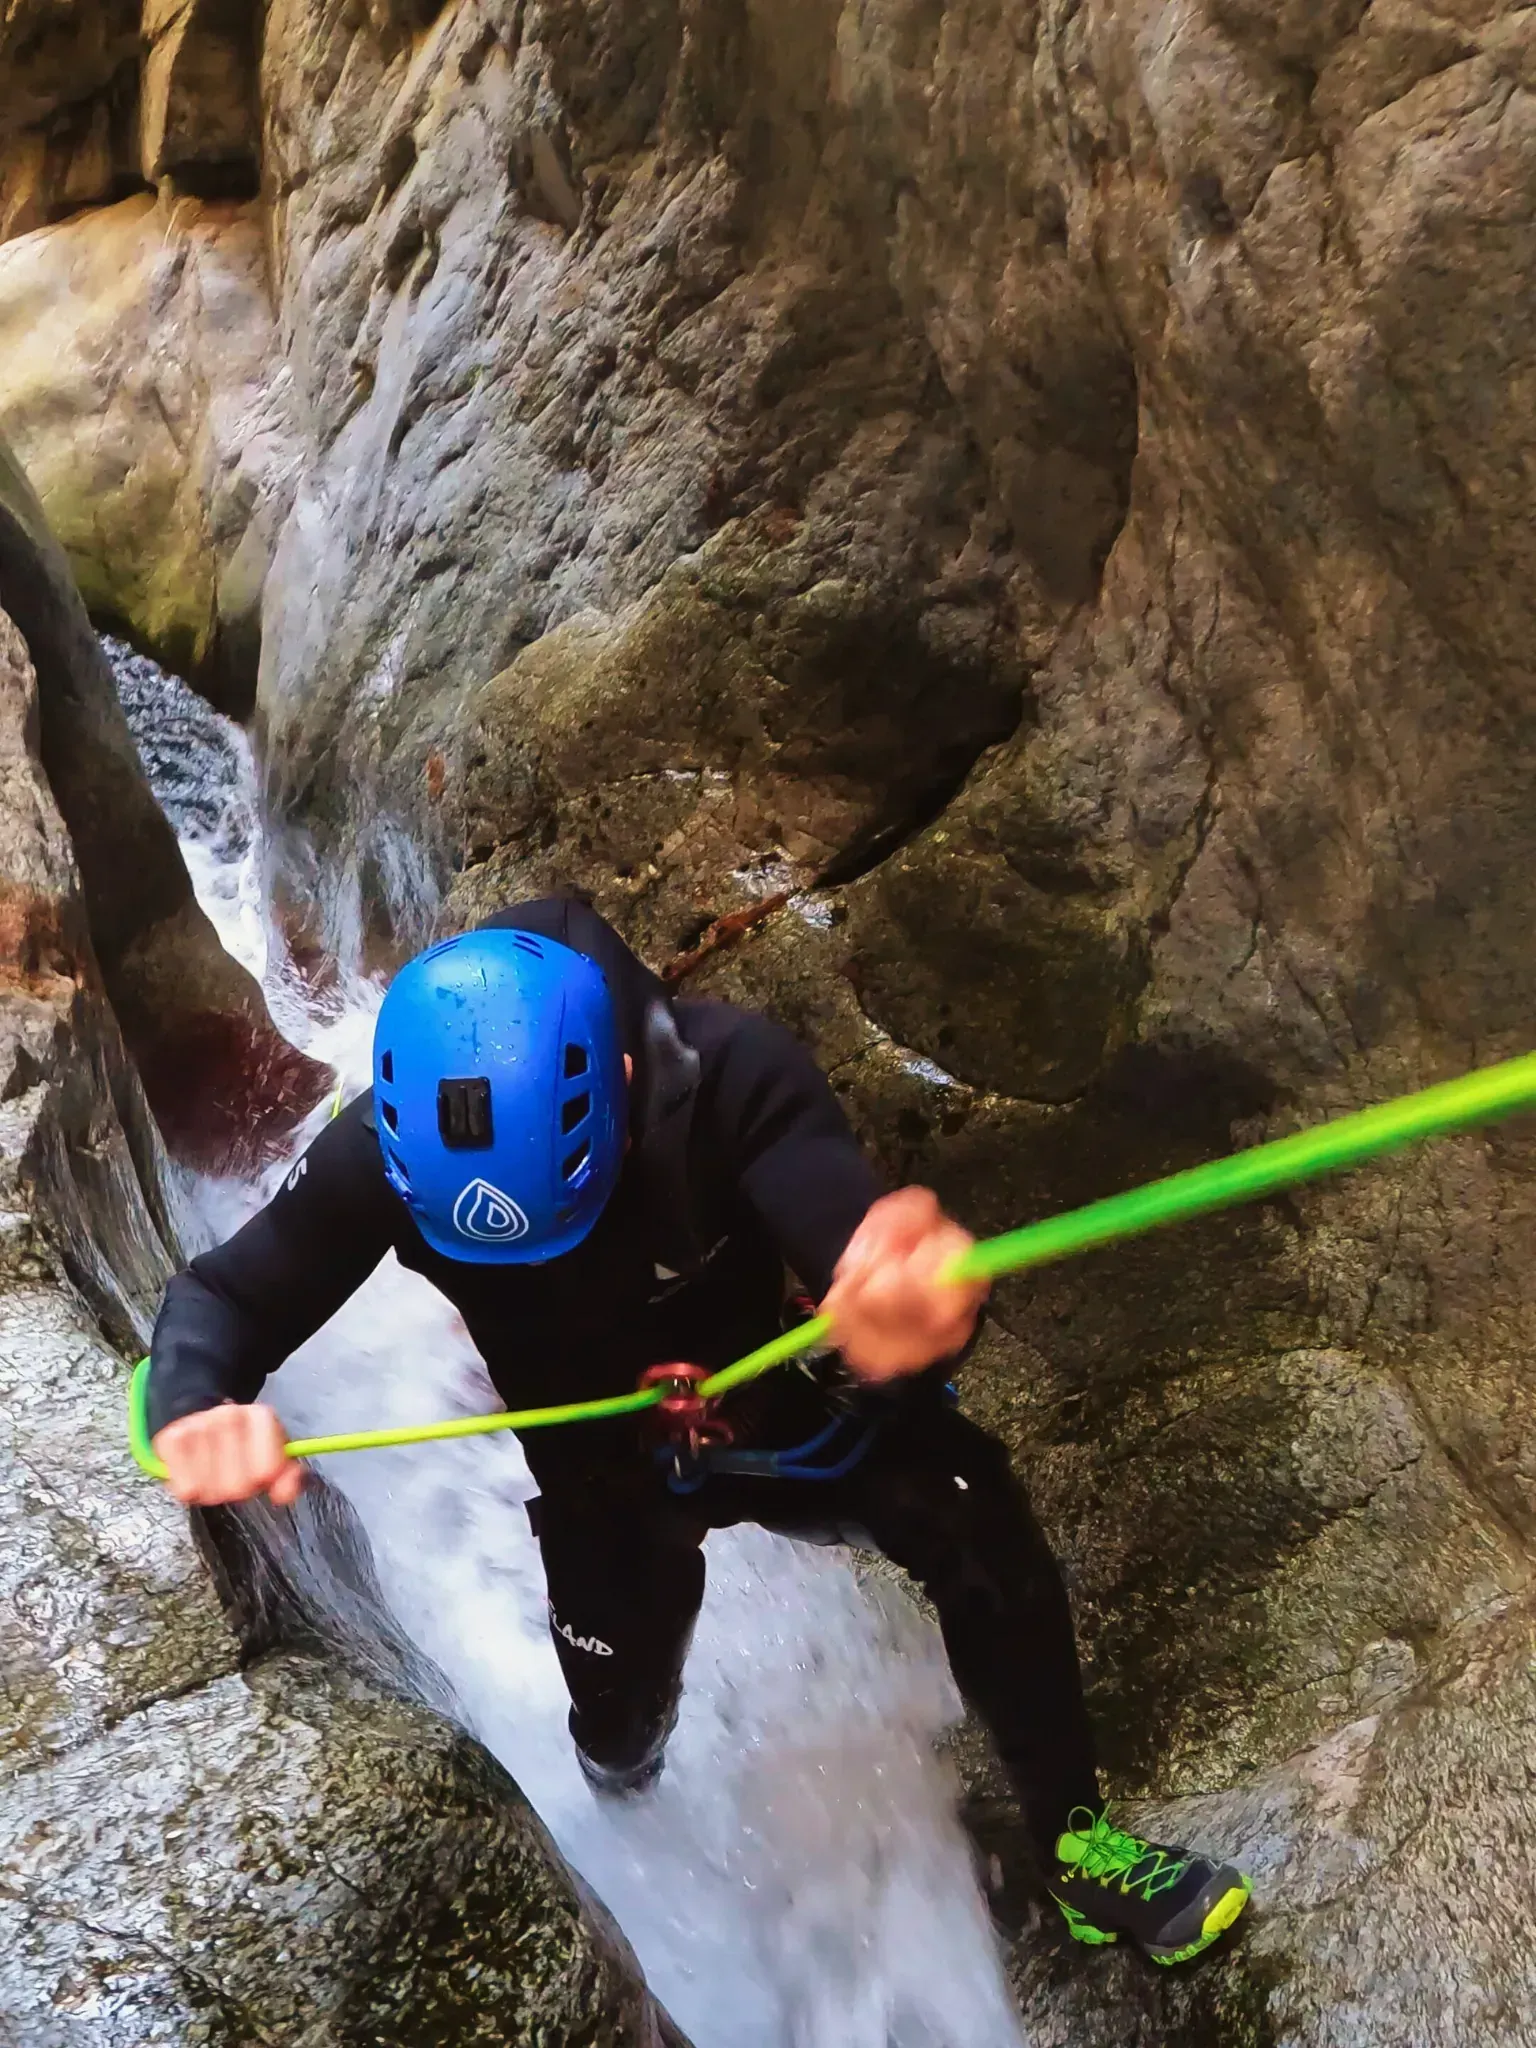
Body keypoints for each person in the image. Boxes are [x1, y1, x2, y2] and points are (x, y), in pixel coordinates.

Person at [146, 893, 1251, 1965]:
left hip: (777, 1422)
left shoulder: (727, 1078)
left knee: (972, 1510)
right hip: (604, 1481)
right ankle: (632, 1817)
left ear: (623, 1082)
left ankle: (1076, 1842)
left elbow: (846, 1229)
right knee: (617, 1724)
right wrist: (194, 1406)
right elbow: (224, 1299)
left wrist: (908, 1307)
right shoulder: (388, 1153)